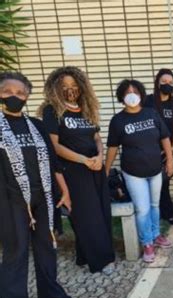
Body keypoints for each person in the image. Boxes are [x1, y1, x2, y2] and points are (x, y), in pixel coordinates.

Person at [0, 72, 73, 298]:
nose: (14, 97)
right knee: (16, 254)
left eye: (20, 93)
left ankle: (49, 290)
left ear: (27, 96)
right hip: (10, 201)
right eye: (8, 91)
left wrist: (64, 192)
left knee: (46, 245)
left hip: (42, 196)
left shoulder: (36, 125)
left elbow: (53, 163)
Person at [38, 66, 115, 274]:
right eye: (64, 86)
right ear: (55, 88)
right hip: (73, 171)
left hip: (95, 168)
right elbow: (53, 146)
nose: (70, 89)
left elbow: (97, 138)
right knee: (87, 216)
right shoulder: (51, 110)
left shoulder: (86, 108)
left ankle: (83, 255)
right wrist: (83, 160)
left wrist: (99, 156)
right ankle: (100, 261)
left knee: (101, 211)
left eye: (74, 85)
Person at [105, 79, 173, 263]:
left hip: (155, 169)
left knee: (154, 205)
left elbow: (165, 138)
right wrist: (106, 169)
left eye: (135, 91)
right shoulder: (118, 120)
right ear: (121, 96)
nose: (132, 94)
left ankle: (156, 234)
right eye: (127, 92)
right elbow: (112, 147)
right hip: (133, 173)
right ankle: (147, 243)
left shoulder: (151, 114)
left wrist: (170, 162)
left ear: (141, 94)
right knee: (142, 209)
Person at [143, 69, 173, 225]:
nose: (167, 85)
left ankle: (167, 212)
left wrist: (172, 147)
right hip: (149, 149)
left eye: (171, 82)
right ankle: (154, 213)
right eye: (164, 82)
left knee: (165, 181)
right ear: (157, 82)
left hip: (166, 150)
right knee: (151, 182)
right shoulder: (148, 101)